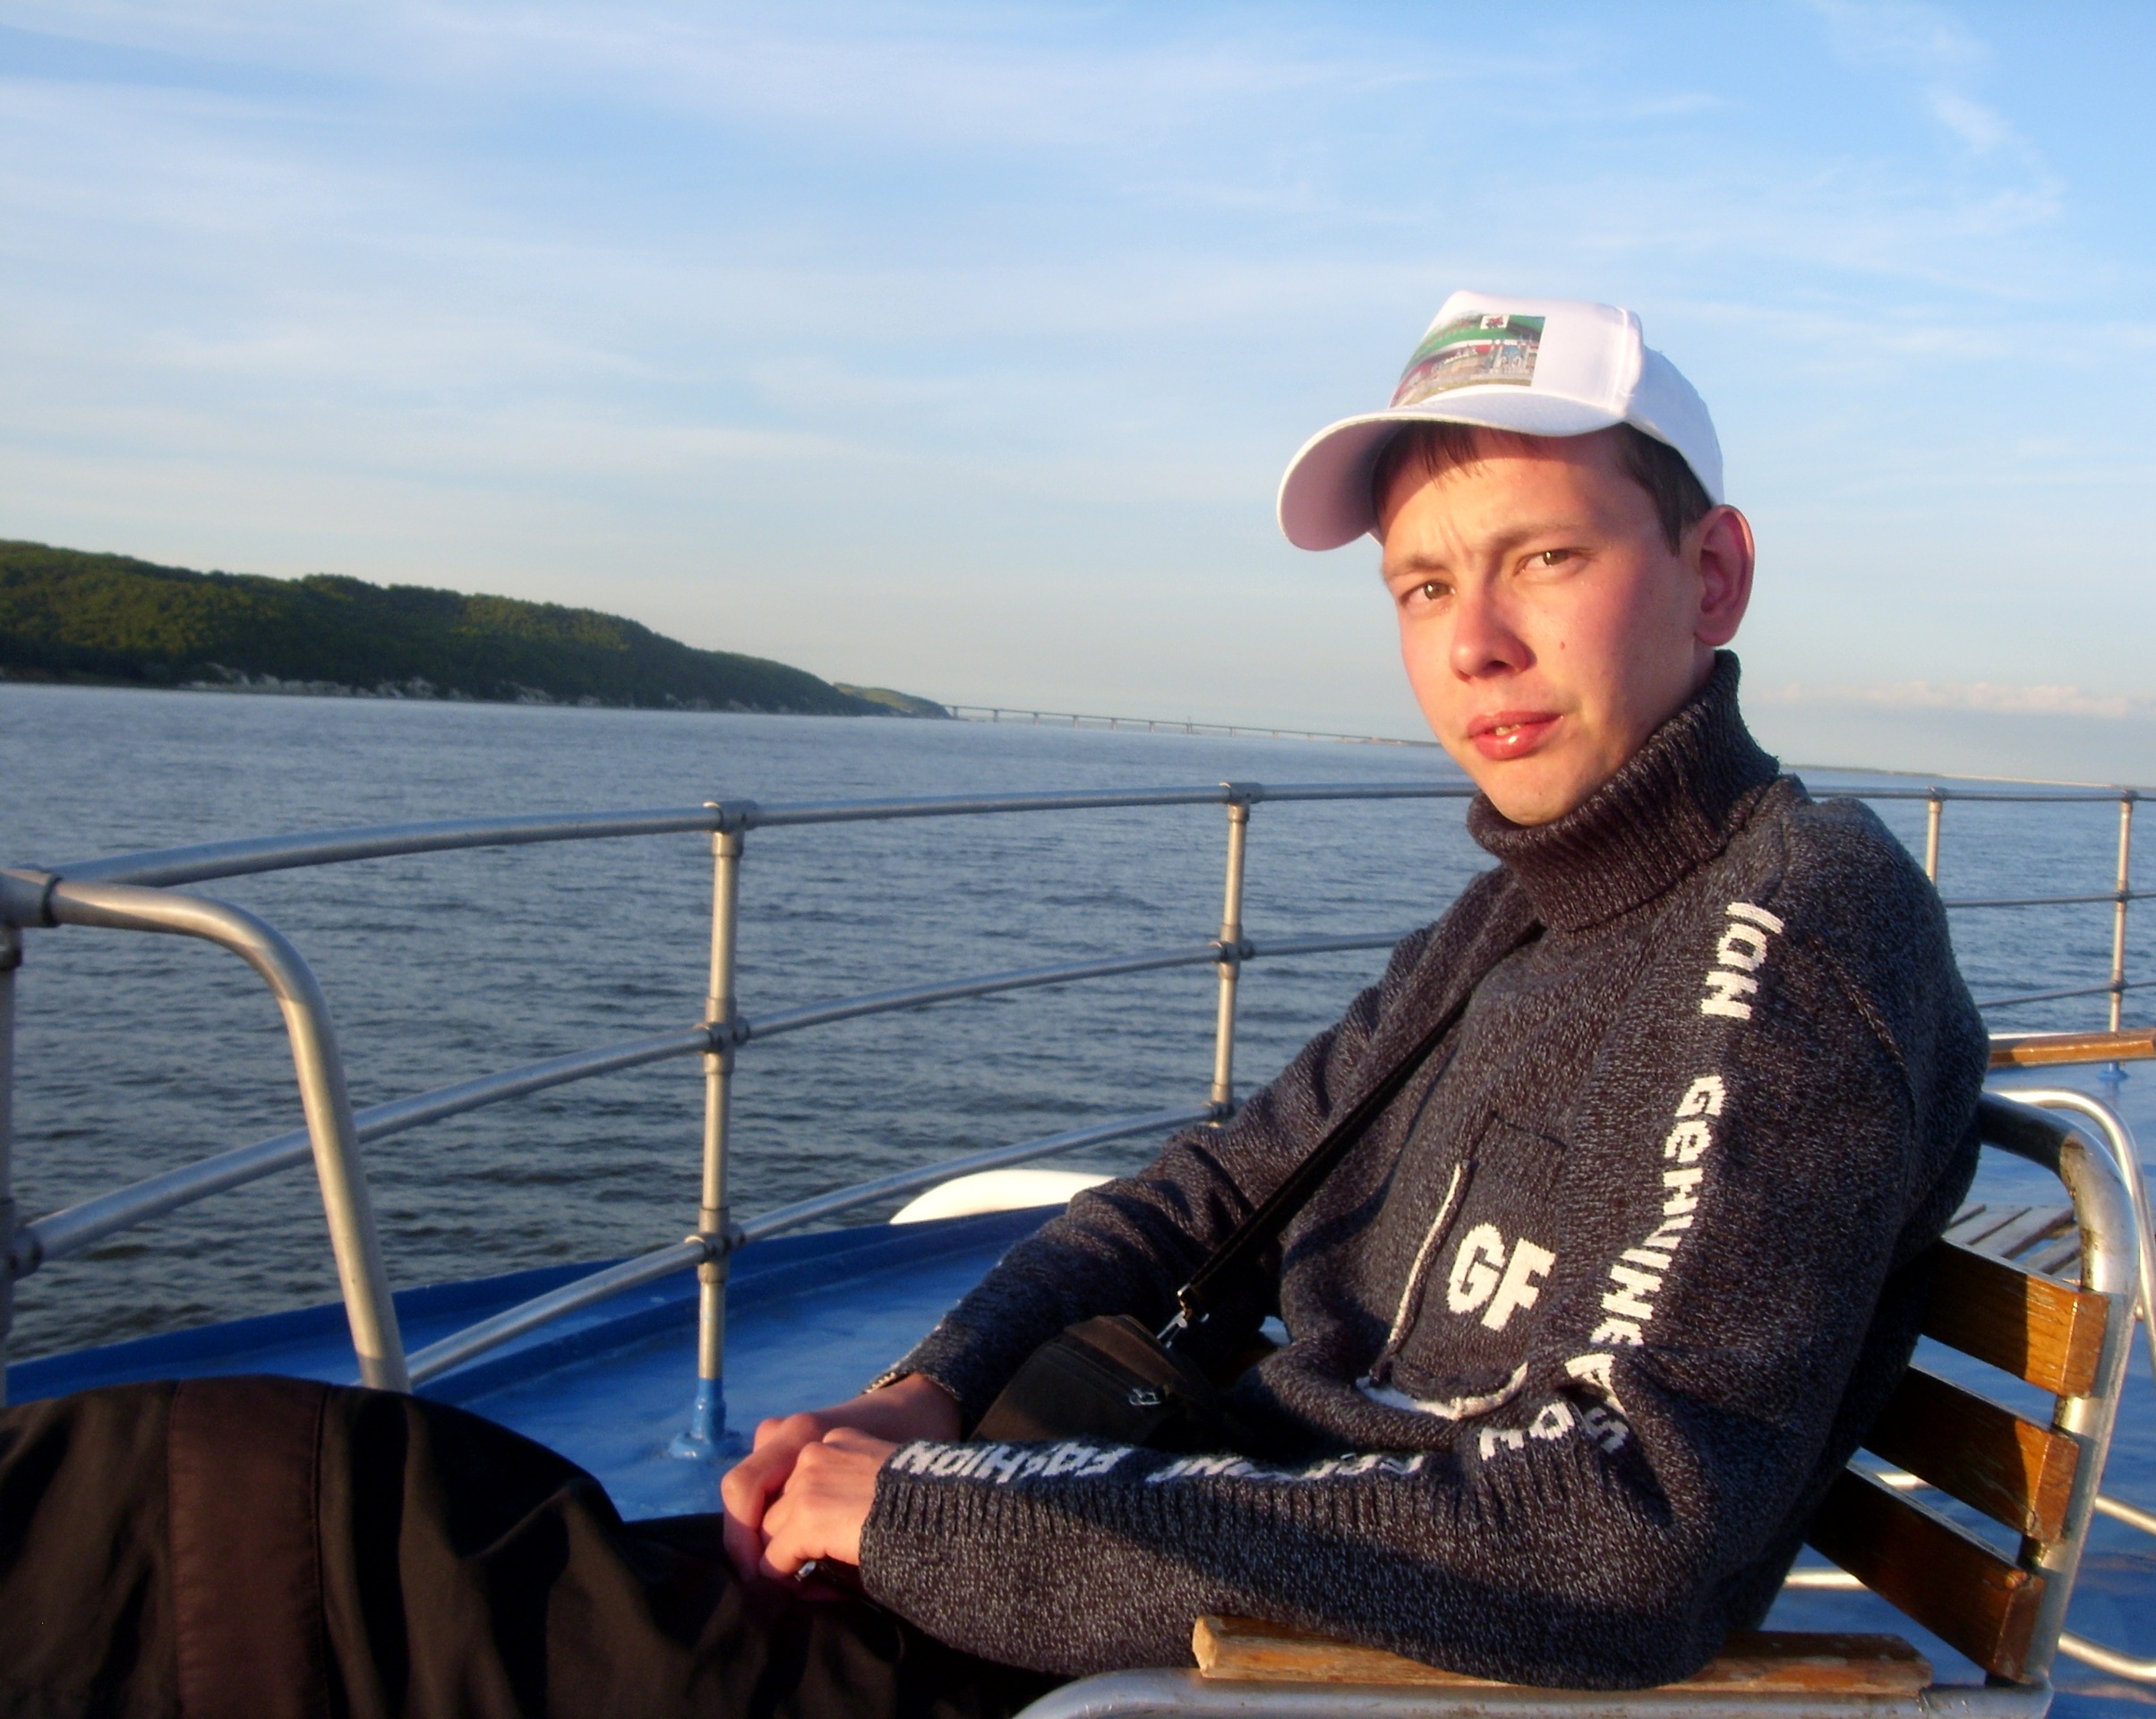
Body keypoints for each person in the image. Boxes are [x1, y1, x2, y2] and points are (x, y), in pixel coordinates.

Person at [0, 293, 1985, 1718]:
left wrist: (950, 1521)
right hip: (1107, 1549)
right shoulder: (1526, 914)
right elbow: (1208, 1188)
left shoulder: (1793, 925)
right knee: (304, 1512)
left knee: (280, 1529)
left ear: (1711, 574)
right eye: (1416, 585)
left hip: (1186, 1660)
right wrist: (933, 1391)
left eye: (1543, 558)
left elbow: (1627, 1530)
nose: (1469, 643)